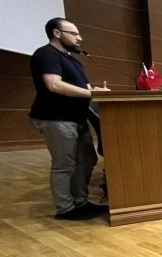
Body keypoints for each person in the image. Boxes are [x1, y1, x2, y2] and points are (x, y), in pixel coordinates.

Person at [29, 17, 111, 220]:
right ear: (57, 33)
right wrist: (91, 94)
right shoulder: (46, 54)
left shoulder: (71, 59)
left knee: (87, 160)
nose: (79, 38)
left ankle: (81, 202)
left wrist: (97, 91)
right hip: (56, 118)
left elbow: (83, 87)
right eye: (74, 33)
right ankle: (65, 208)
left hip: (77, 119)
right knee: (64, 164)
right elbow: (54, 85)